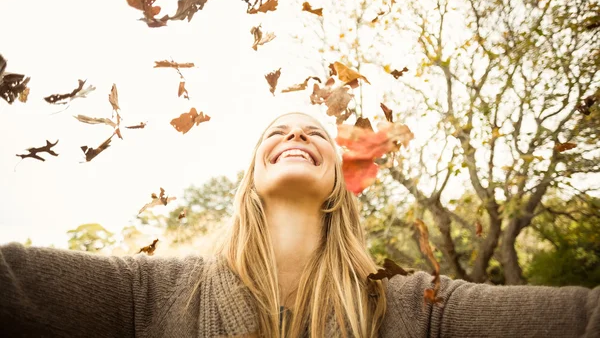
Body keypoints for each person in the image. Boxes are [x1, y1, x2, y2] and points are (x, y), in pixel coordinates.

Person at [1, 112, 599, 338]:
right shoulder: (148, 293)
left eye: (315, 133)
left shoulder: (418, 307)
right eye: (278, 132)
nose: (296, 135)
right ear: (250, 179)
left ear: (340, 182)